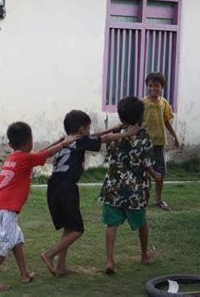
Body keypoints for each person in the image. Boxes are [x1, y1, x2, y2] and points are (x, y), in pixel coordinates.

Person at [41, 110, 139, 276]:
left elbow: (95, 136)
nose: (89, 130)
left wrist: (112, 128)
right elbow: (103, 140)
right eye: (88, 127)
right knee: (78, 230)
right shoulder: (81, 142)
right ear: (81, 129)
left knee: (69, 227)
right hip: (67, 188)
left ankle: (60, 266)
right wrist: (127, 134)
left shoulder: (66, 141)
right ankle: (49, 255)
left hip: (54, 187)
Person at [0, 121, 77, 290]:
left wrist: (57, 143)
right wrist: (63, 144)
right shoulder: (25, 158)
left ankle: (24, 274)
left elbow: (40, 154)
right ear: (29, 140)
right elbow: (43, 156)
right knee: (6, 242)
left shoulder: (14, 157)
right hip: (6, 209)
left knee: (17, 240)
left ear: (11, 144)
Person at [99, 96, 162, 274]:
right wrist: (157, 176)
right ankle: (144, 254)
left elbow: (107, 149)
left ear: (121, 116)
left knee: (111, 225)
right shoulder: (144, 137)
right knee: (141, 222)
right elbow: (147, 164)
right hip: (135, 190)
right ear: (141, 115)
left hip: (113, 186)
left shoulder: (113, 136)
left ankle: (110, 260)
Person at [142, 72, 179, 211]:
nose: (153, 88)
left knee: (160, 172)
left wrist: (174, 136)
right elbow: (137, 122)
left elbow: (166, 121)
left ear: (161, 87)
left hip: (159, 143)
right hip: (144, 143)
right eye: (150, 85)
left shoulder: (164, 103)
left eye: (156, 85)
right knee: (143, 170)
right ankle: (142, 198)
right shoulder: (142, 103)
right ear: (147, 86)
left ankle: (158, 199)